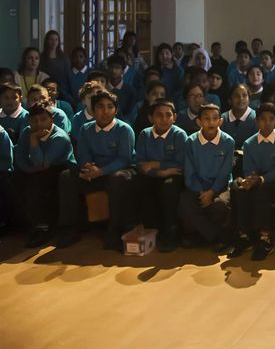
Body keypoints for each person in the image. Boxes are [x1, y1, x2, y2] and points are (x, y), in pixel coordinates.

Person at [55, 89, 138, 250]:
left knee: (117, 178)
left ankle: (115, 231)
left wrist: (101, 171)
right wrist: (88, 168)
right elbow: (83, 154)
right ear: (92, 110)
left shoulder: (124, 129)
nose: (105, 111)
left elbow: (124, 159)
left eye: (110, 107)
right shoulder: (85, 129)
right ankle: (70, 229)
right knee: (67, 176)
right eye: (100, 106)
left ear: (116, 110)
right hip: (95, 171)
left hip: (120, 171)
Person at [230, 103, 275, 261]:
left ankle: (265, 238)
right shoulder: (249, 143)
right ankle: (244, 236)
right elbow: (248, 169)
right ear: (257, 121)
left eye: (271, 119)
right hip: (256, 181)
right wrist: (250, 180)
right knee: (239, 190)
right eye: (263, 119)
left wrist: (260, 179)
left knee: (262, 191)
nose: (267, 123)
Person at [15, 105, 76, 248]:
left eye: (43, 119)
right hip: (35, 170)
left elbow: (42, 163)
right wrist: (30, 169)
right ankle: (27, 223)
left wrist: (34, 140)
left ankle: (44, 227)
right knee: (15, 179)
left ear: (51, 120)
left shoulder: (60, 137)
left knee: (37, 183)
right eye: (34, 121)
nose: (39, 124)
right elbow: (19, 158)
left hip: (61, 169)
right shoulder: (27, 132)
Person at [134, 98, 188, 252]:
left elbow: (181, 164)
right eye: (159, 115)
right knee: (138, 184)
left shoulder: (179, 135)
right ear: (151, 118)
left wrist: (155, 164)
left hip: (174, 175)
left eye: (168, 115)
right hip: (154, 174)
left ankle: (171, 232)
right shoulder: (145, 134)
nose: (164, 119)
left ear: (174, 117)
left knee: (169, 187)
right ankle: (150, 229)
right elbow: (141, 164)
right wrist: (161, 172)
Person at [180, 103, 236, 251]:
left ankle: (199, 236)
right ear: (199, 122)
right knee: (186, 202)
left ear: (220, 121)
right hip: (197, 187)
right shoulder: (191, 141)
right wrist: (201, 192)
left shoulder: (228, 141)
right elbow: (189, 172)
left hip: (220, 186)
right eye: (206, 118)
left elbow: (225, 173)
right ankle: (216, 237)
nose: (211, 122)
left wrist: (212, 192)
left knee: (220, 205)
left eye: (215, 118)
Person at [222, 84, 257, 149]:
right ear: (229, 100)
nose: (241, 99)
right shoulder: (223, 118)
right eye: (236, 96)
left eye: (244, 95)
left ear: (249, 99)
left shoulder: (257, 118)